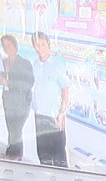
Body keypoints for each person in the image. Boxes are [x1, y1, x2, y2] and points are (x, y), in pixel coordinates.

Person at [28, 33, 67, 167]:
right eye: (37, 45)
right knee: (43, 156)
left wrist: (61, 114)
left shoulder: (57, 66)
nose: (40, 48)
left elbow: (65, 92)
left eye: (43, 44)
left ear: (49, 45)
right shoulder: (34, 65)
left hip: (54, 117)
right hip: (39, 117)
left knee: (59, 157)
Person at [0, 36, 32, 159]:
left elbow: (27, 83)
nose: (6, 48)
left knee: (16, 130)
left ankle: (15, 155)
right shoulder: (3, 62)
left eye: (9, 45)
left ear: (15, 45)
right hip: (8, 102)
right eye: (4, 46)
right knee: (11, 129)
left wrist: (9, 83)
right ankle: (11, 153)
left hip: (21, 103)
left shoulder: (25, 63)